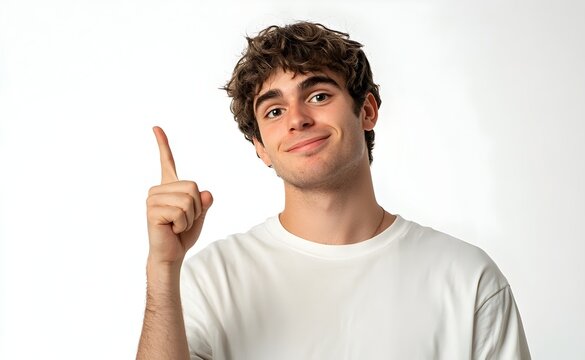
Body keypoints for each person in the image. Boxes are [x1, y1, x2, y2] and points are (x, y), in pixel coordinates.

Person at [136, 22, 531, 359]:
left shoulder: (467, 279)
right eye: (274, 111)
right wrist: (163, 269)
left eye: (319, 96)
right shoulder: (211, 279)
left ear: (367, 110)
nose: (298, 119)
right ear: (261, 148)